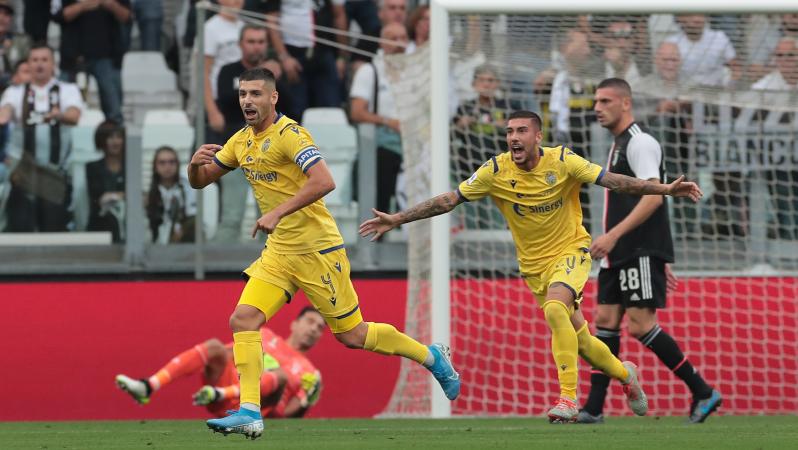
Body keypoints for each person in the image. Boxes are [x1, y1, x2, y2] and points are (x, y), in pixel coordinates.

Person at [360, 109, 705, 423]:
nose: (513, 137)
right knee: (582, 342)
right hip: (534, 267)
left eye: (522, 130)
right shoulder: (495, 171)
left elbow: (614, 181)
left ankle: (568, 400)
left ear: (538, 136)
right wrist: (398, 219)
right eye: (509, 131)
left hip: (572, 251)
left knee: (556, 307)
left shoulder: (564, 161)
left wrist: (663, 188)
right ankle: (626, 375)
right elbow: (449, 199)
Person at [187, 67, 459, 439]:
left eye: (255, 94)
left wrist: (278, 211)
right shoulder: (240, 141)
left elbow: (324, 181)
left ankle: (431, 356)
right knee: (243, 320)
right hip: (280, 252)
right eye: (243, 94)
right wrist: (193, 165)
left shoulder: (291, 135)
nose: (248, 101)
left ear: (273, 98)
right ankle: (250, 410)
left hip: (317, 250)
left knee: (353, 335)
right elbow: (202, 181)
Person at [577, 78, 721, 425]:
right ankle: (594, 409)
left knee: (641, 326)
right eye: (596, 101)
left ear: (626, 103)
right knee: (606, 324)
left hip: (635, 246)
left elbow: (654, 196)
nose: (598, 107)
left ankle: (702, 391)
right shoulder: (620, 144)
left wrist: (616, 238)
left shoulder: (640, 142)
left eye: (606, 100)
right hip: (625, 250)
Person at [115, 307, 326, 419]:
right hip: (226, 385)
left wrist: (306, 402)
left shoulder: (311, 373)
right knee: (215, 346)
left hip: (256, 410)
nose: (313, 329)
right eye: (309, 322)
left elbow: (286, 416)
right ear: (295, 323)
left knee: (279, 375)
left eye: (319, 328)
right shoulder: (264, 334)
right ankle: (149, 385)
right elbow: (228, 354)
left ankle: (223, 394)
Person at [0, 44, 83, 232]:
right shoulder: (15, 92)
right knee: (20, 227)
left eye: (44, 60)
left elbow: (74, 115)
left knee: (53, 228)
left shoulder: (67, 90)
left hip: (53, 173)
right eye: (35, 60)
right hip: (23, 173)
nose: (39, 65)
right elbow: (4, 113)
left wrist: (58, 116)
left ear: (53, 64)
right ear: (28, 64)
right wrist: (5, 114)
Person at [212, 24, 281, 243]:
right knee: (232, 214)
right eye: (251, 42)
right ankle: (220, 269)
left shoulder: (274, 75)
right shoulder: (228, 70)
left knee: (270, 216)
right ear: (241, 45)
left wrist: (270, 77)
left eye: (260, 42)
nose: (256, 47)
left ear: (267, 45)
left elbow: (290, 105)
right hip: (236, 151)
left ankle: (273, 267)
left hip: (270, 153)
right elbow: (226, 101)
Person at [349, 22, 408, 215]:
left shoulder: (415, 72)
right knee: (381, 201)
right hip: (381, 145)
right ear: (381, 42)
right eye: (393, 38)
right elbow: (357, 112)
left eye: (403, 38)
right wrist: (388, 122)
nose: (399, 44)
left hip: (413, 146)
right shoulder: (370, 71)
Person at [53, 0, 130, 124]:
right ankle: (68, 142)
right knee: (67, 109)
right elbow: (58, 16)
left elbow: (127, 17)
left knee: (114, 112)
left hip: (107, 56)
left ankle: (115, 140)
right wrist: (83, 5)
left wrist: (107, 3)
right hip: (73, 57)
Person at [145, 146, 197, 244]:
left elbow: (192, 214)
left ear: (177, 165)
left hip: (182, 240)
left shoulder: (187, 186)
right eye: (162, 162)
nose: (167, 167)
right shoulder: (147, 190)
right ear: (155, 167)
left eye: (171, 162)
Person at [86, 120, 126, 242]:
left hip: (127, 222)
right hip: (100, 225)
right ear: (102, 141)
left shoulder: (130, 167)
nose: (115, 142)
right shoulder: (92, 167)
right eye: (110, 137)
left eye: (118, 137)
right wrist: (122, 195)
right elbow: (97, 198)